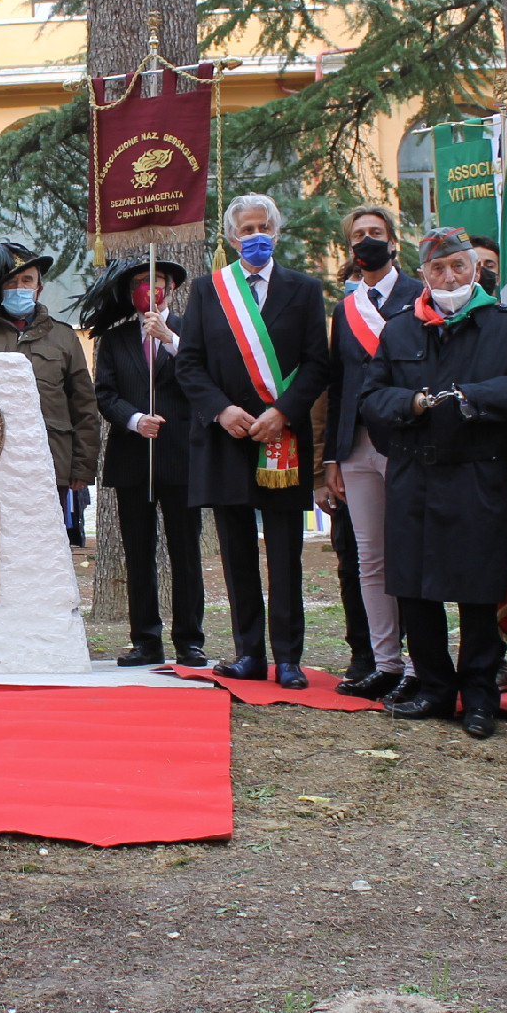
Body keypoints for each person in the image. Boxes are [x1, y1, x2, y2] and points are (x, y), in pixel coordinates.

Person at [359, 226, 507, 739]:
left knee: (478, 592)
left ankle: (479, 696)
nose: (449, 276)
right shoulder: (400, 330)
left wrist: (471, 398)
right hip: (415, 473)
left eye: (458, 266)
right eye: (438, 269)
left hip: (478, 473)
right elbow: (372, 398)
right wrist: (412, 402)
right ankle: (436, 690)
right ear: (424, 274)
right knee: (416, 591)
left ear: (475, 269)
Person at [176, 195, 329, 685]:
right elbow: (189, 363)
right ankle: (249, 653)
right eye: (247, 228)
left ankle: (287, 657)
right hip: (227, 438)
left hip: (281, 437)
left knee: (285, 551)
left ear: (277, 234)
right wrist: (221, 410)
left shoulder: (304, 290)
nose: (256, 235)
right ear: (230, 236)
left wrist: (283, 412)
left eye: (264, 227)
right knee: (236, 550)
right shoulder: (208, 290)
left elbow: (317, 363)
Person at [85, 257, 206, 668]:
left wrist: (170, 339)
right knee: (139, 553)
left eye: (154, 281)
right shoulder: (115, 340)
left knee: (185, 551)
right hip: (133, 457)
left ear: (170, 287)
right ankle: (146, 639)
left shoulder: (192, 330)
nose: (147, 289)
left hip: (181, 457)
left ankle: (189, 639)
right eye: (139, 282)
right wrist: (135, 421)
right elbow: (104, 394)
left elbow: (203, 377)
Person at [321, 205, 421, 700]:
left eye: (375, 233)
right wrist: (332, 457)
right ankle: (385, 663)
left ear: (393, 241)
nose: (367, 241)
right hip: (358, 446)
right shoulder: (346, 308)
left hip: (408, 441)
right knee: (370, 559)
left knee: (415, 553)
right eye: (358, 235)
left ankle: (423, 664)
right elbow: (340, 384)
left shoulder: (419, 295)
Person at [0, 242, 100, 505]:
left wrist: (82, 467)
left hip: (50, 459)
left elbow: (84, 407)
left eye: (27, 280)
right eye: (11, 282)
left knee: (46, 541)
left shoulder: (64, 337)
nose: (19, 288)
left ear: (39, 289)